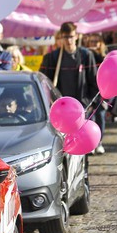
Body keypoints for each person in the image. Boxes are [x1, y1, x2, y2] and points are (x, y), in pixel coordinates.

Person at [39, 22, 100, 150]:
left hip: (81, 109)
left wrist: (88, 103)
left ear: (76, 36)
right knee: (64, 147)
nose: (68, 40)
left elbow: (94, 82)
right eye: (65, 37)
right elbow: (44, 84)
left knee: (82, 145)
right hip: (61, 112)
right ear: (61, 37)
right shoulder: (52, 58)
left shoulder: (85, 56)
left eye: (71, 37)